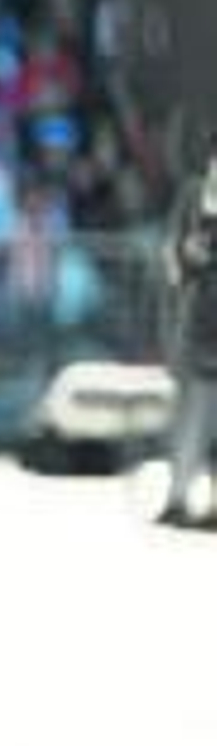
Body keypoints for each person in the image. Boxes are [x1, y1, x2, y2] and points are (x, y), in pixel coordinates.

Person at [158, 147, 217, 525]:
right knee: (188, 416)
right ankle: (177, 496)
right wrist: (186, 255)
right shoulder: (193, 195)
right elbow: (171, 251)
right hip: (197, 323)